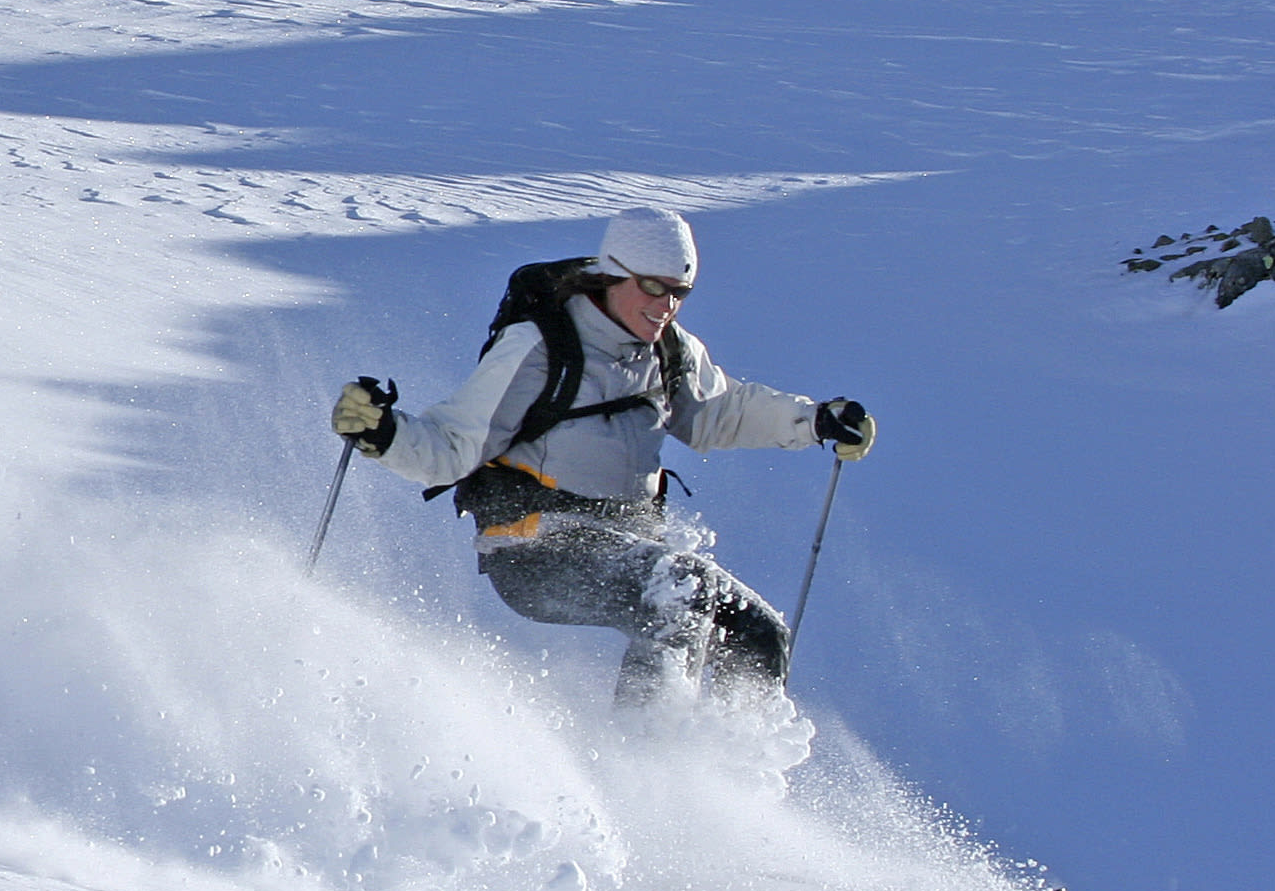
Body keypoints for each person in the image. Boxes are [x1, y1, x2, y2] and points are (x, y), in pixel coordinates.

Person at [327, 207, 875, 704]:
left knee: (759, 634)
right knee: (678, 593)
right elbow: (452, 448)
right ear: (614, 274)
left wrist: (815, 421)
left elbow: (719, 412)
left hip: (626, 547)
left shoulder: (669, 349)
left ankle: (732, 772)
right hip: (535, 549)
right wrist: (384, 432)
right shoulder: (542, 347)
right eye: (654, 288)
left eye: (679, 292)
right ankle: (649, 763)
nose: (666, 306)